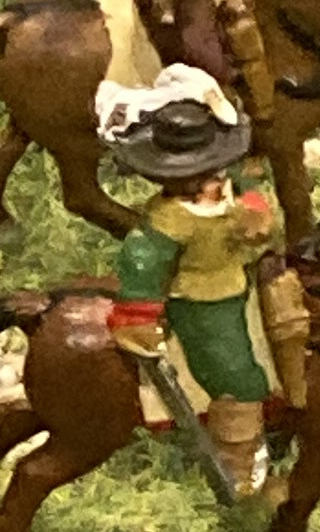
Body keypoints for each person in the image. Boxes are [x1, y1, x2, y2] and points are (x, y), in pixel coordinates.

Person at [96, 70, 289, 497]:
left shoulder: (227, 185)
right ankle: (240, 462)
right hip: (201, 300)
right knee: (237, 378)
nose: (216, 179)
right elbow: (142, 263)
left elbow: (252, 194)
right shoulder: (170, 221)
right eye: (201, 173)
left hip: (243, 277)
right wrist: (139, 315)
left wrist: (256, 214)